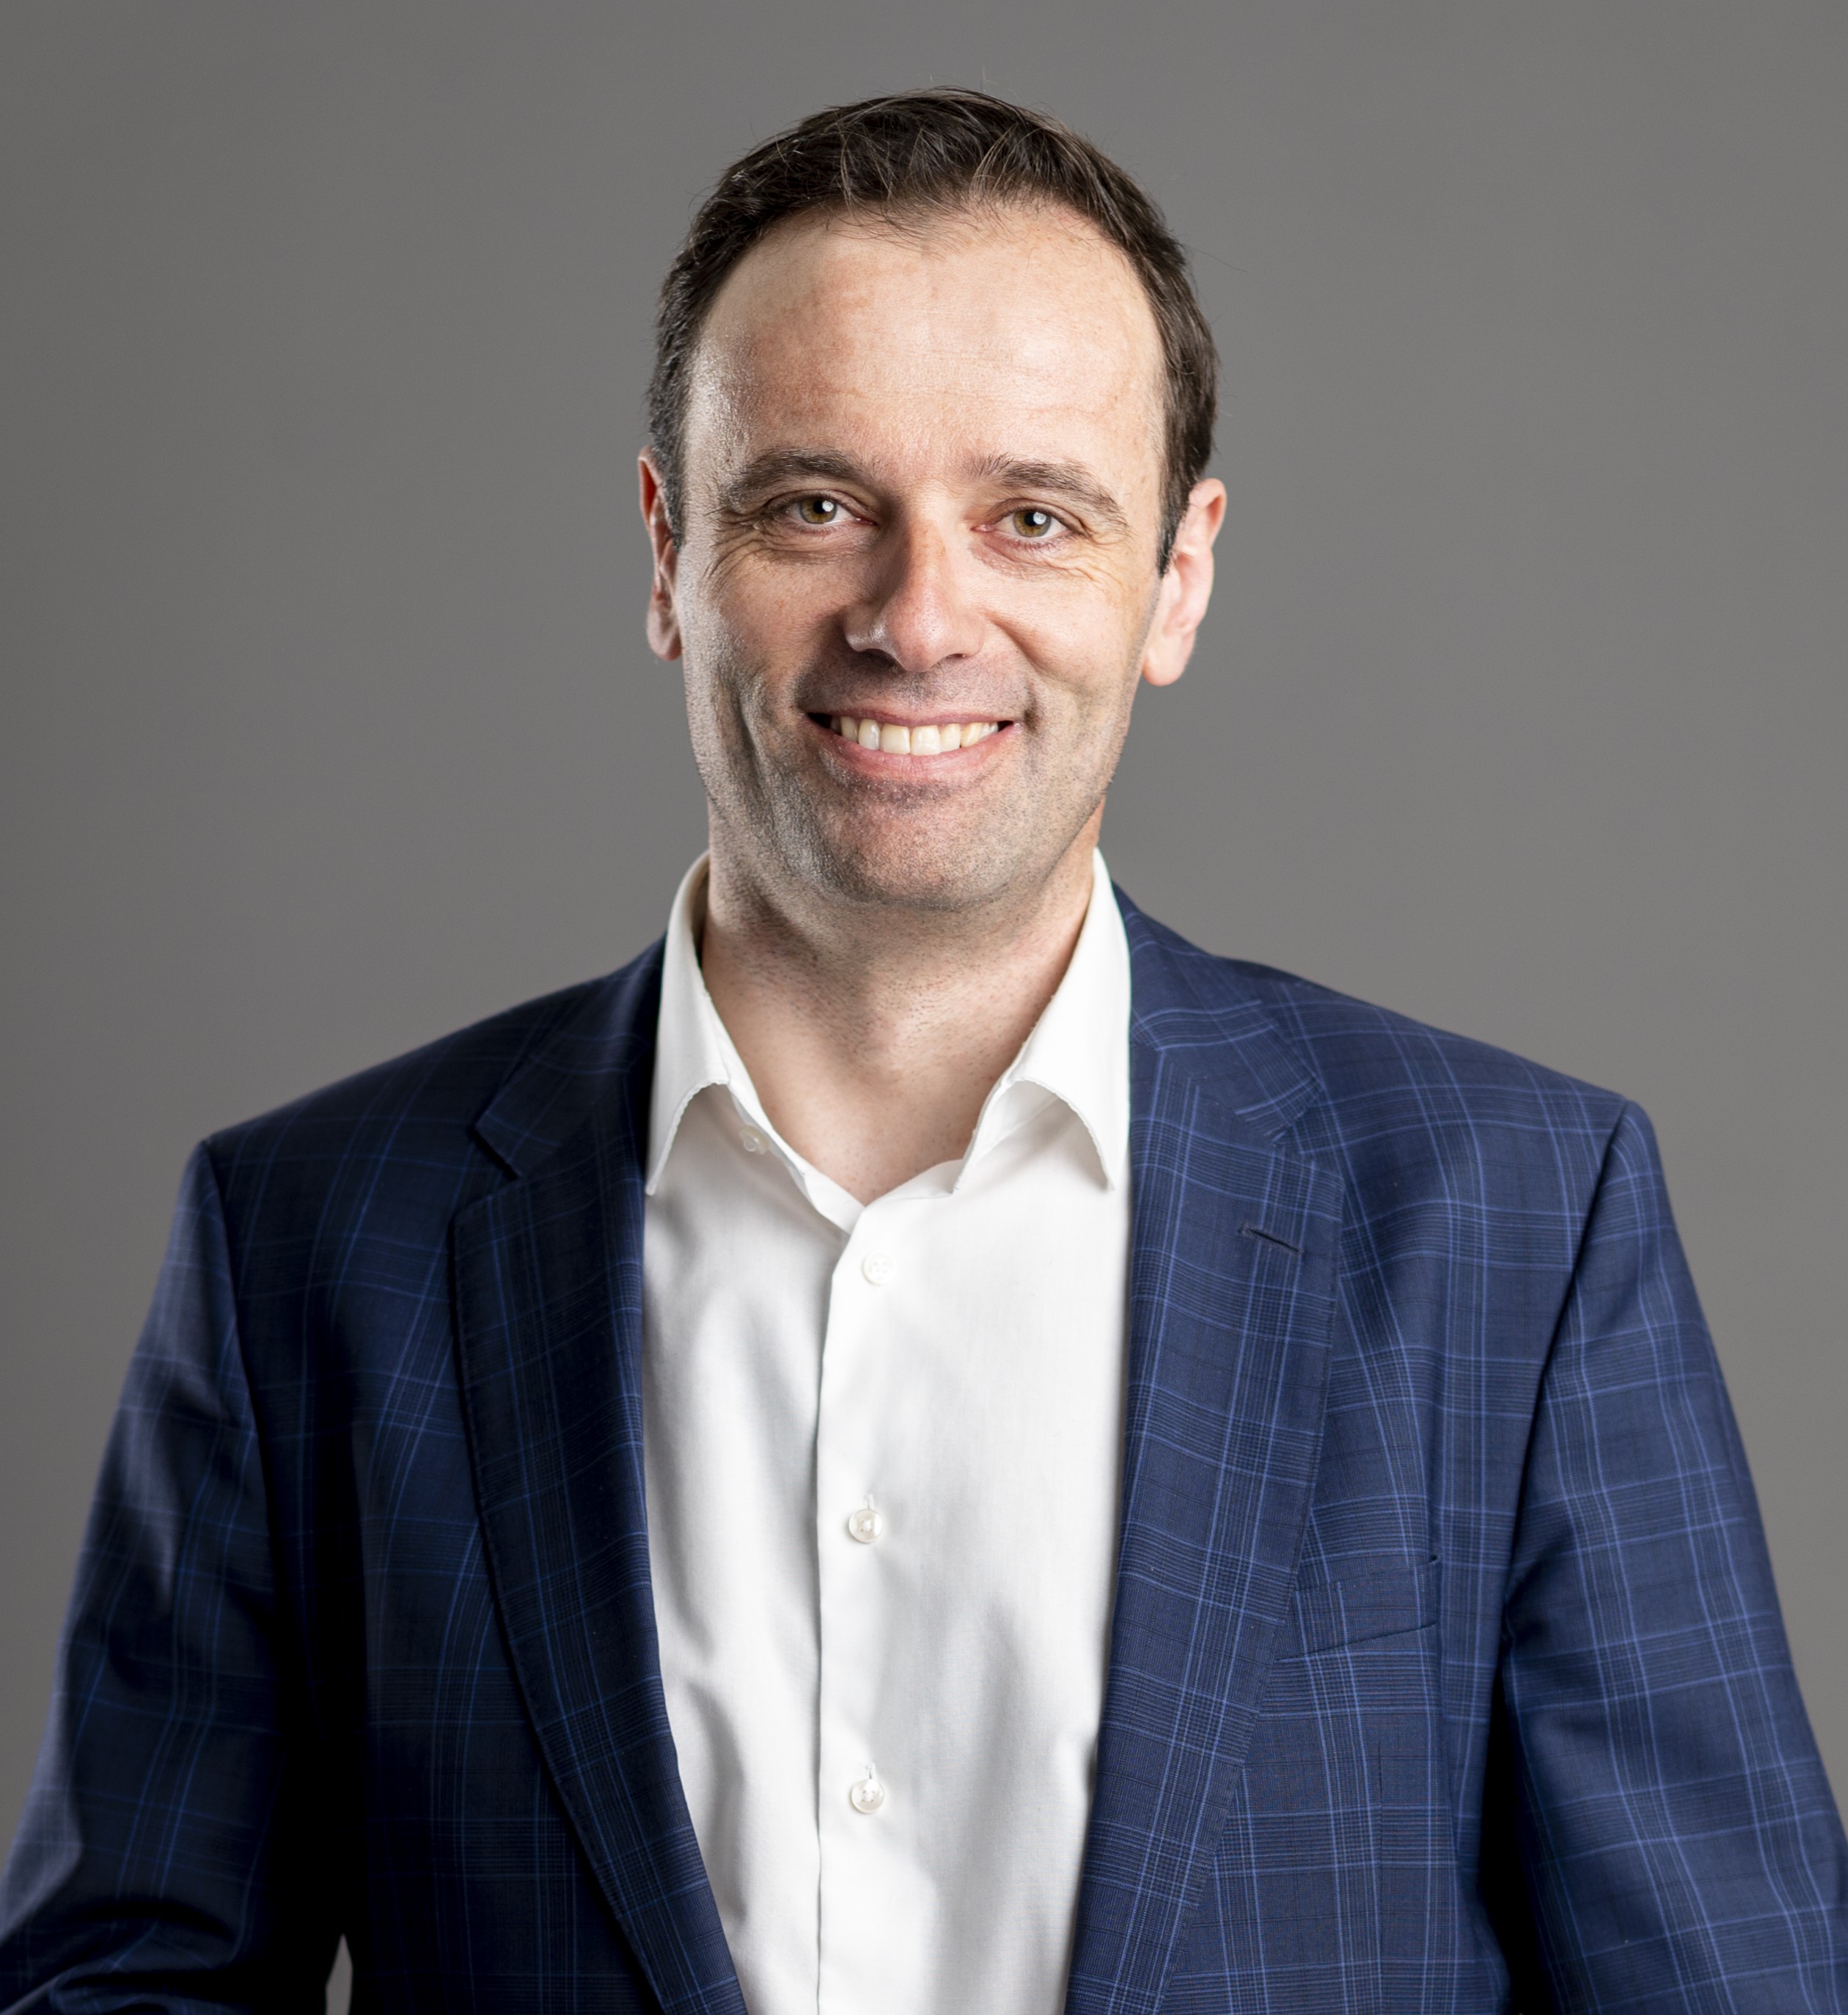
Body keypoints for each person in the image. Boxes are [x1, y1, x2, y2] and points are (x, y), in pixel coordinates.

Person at [1, 85, 1843, 2015]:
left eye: (1033, 517)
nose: (916, 617)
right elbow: (122, 1987)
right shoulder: (308, 1246)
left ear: (1178, 579)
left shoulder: (1516, 1232)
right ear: (666, 550)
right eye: (815, 505)